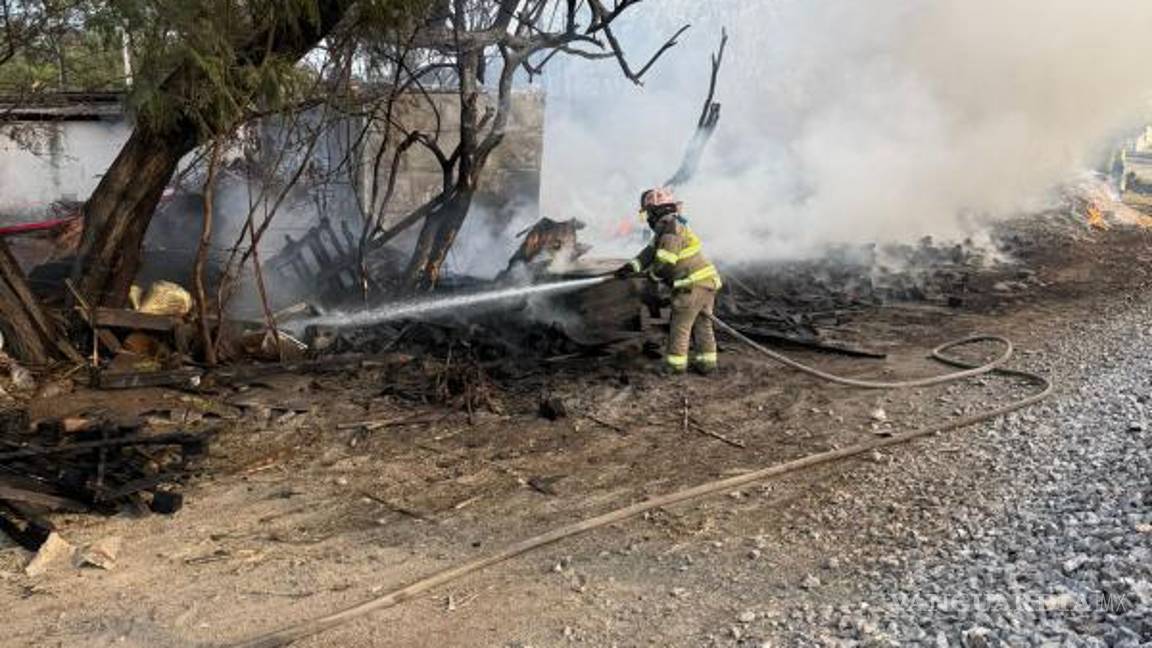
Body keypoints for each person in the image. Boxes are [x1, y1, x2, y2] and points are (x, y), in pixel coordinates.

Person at [616, 187, 722, 374]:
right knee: (702, 324)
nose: (647, 216)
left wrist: (653, 276)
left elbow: (666, 258)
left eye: (648, 209)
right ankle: (707, 364)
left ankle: (675, 367)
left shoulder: (670, 225)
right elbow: (649, 253)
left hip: (691, 285)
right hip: (706, 283)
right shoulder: (668, 225)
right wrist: (631, 267)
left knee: (680, 325)